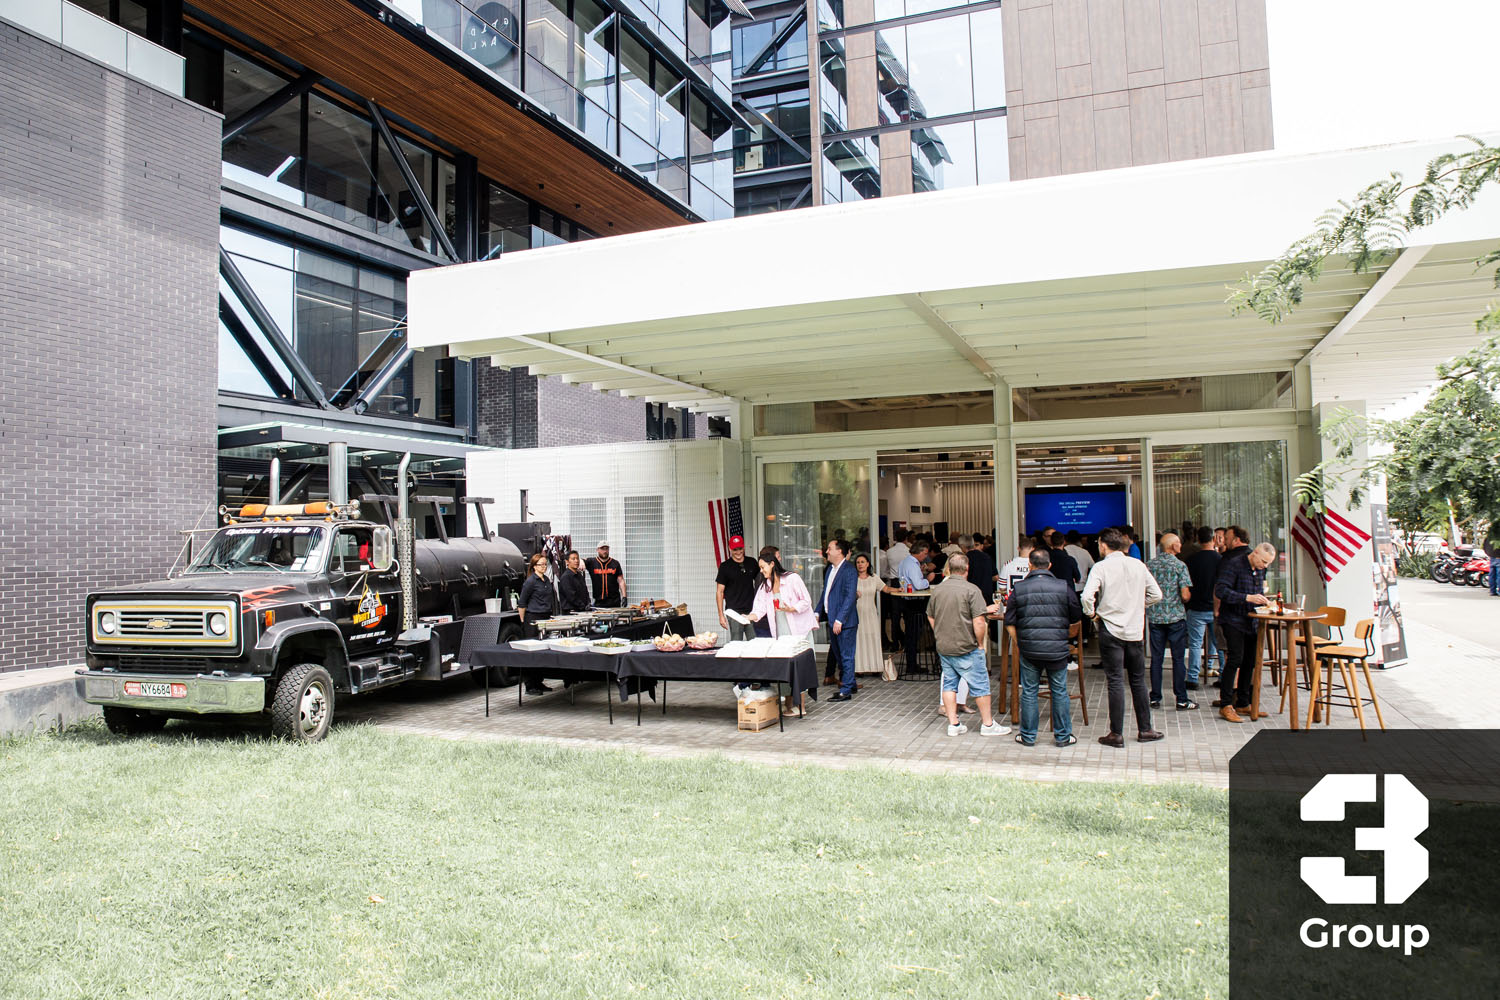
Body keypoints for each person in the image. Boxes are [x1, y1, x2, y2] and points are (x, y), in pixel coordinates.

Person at [1081, 527, 1163, 748]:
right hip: (1135, 629)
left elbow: (1087, 596)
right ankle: (1145, 729)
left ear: (1103, 545)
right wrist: (1139, 605)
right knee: (1138, 680)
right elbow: (1157, 594)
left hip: (1110, 628)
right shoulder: (1138, 565)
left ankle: (1116, 733)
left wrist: (1092, 614)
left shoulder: (1101, 567)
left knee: (1115, 681)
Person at [1004, 546, 1081, 747]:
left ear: (1029, 565)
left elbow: (1009, 621)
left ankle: (1028, 736)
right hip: (1057, 649)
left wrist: (1019, 641)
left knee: (1029, 692)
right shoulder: (1063, 587)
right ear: (1050, 565)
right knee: (1059, 691)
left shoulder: (1019, 588)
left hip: (1029, 649)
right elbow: (1076, 617)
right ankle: (1063, 737)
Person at [927, 553, 1008, 737]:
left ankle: (953, 724)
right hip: (967, 646)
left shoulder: (938, 590)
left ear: (949, 568)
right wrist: (979, 643)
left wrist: (939, 633)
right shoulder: (972, 590)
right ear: (967, 568)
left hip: (945, 645)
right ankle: (987, 724)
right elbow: (979, 621)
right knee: (981, 687)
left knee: (949, 685)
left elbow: (930, 615)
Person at [1214, 529, 1276, 723]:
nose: (1265, 566)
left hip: (1252, 620)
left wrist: (1264, 602)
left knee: (1250, 661)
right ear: (1255, 553)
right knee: (1235, 659)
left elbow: (1258, 591)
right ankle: (1226, 704)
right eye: (1263, 562)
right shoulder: (1233, 564)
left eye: (1268, 564)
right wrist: (1247, 598)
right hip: (1233, 619)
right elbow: (1221, 590)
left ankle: (1243, 702)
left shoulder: (1260, 569)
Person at [747, 546, 816, 717]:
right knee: (786, 666)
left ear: (772, 564)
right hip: (781, 631)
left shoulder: (792, 579)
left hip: (798, 630)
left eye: (763, 567)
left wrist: (791, 608)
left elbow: (806, 600)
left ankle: (801, 707)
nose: (761, 571)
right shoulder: (766, 585)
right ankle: (789, 705)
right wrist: (748, 617)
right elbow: (759, 608)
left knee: (799, 666)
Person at [1146, 533, 1196, 711]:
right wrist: (1186, 598)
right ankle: (1181, 699)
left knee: (1156, 659)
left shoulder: (1149, 565)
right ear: (1173, 546)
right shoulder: (1180, 566)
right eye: (1179, 543)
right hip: (1175, 618)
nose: (1180, 545)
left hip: (1155, 617)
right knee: (1178, 659)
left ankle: (1155, 698)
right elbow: (1185, 595)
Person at [815, 538, 859, 701]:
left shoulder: (849, 570)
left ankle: (845, 691)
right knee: (839, 656)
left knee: (846, 656)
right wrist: (817, 612)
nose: (826, 551)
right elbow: (825, 594)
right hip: (832, 619)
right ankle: (851, 684)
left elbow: (850, 597)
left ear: (839, 551)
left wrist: (840, 619)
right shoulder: (830, 569)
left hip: (845, 622)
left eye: (829, 548)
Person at [886, 540, 932, 676]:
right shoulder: (912, 564)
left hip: (906, 601)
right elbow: (918, 584)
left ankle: (912, 663)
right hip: (914, 602)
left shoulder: (905, 562)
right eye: (925, 553)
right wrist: (928, 579)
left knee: (911, 634)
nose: (926, 556)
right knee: (914, 634)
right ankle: (912, 665)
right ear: (919, 552)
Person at [1183, 526, 1221, 689]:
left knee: (1195, 645)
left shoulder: (1191, 560)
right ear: (1213, 539)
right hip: (1215, 609)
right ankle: (1223, 676)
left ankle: (1192, 678)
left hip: (1196, 608)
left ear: (1198, 540)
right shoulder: (1220, 560)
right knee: (1219, 644)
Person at [517, 552, 557, 696]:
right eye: (540, 565)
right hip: (533, 618)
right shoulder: (530, 582)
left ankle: (539, 681)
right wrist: (523, 621)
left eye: (545, 564)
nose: (543, 567)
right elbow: (522, 603)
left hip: (545, 617)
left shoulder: (546, 580)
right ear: (534, 566)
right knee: (532, 652)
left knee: (542, 651)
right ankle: (530, 684)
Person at [714, 534, 758, 641]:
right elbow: (719, 592)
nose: (738, 552)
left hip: (751, 610)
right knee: (736, 644)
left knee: (755, 642)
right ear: (730, 549)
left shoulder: (752, 562)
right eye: (735, 549)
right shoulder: (725, 566)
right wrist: (721, 615)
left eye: (740, 548)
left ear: (744, 547)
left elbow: (761, 584)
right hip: (733, 612)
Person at [853, 553, 884, 677]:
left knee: (872, 637)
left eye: (862, 562)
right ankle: (859, 668)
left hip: (871, 613)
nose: (860, 564)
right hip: (857, 613)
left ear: (867, 564)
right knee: (859, 638)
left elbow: (885, 588)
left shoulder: (874, 577)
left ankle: (875, 667)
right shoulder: (853, 578)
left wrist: (898, 589)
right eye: (858, 562)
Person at [584, 541, 625, 607]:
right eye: (602, 549)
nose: (605, 551)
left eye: (606, 549)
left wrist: (624, 596)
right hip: (599, 601)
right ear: (597, 550)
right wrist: (581, 562)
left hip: (614, 601)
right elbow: (580, 561)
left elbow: (621, 581)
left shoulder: (615, 563)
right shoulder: (592, 562)